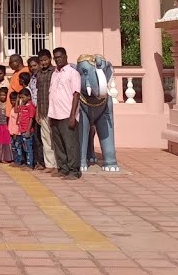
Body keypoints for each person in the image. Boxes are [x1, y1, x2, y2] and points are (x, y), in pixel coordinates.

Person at [77, 53, 120, 173]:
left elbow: (108, 131)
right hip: (83, 103)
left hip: (102, 105)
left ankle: (110, 160)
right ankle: (81, 159)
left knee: (106, 130)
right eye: (85, 72)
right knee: (83, 131)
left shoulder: (107, 100)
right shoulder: (78, 98)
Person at [47, 47, 82, 179]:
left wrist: (73, 116)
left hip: (67, 114)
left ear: (66, 56)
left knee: (70, 144)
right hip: (54, 114)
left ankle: (74, 170)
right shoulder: (54, 73)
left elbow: (76, 95)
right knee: (59, 144)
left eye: (60, 57)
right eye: (55, 58)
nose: (58, 60)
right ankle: (63, 168)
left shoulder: (73, 73)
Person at [34, 50, 56, 171]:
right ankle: (49, 164)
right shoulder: (39, 74)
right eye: (41, 60)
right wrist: (37, 111)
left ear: (50, 59)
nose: (43, 62)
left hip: (54, 110)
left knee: (56, 137)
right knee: (46, 138)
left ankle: (58, 163)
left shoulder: (55, 72)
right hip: (42, 110)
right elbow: (38, 93)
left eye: (45, 60)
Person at [13, 89, 37, 168]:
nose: (22, 99)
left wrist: (28, 130)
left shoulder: (30, 106)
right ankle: (23, 162)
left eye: (23, 97)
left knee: (28, 148)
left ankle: (30, 165)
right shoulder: (23, 105)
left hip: (27, 130)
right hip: (21, 130)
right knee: (23, 147)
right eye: (21, 97)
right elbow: (16, 110)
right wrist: (17, 101)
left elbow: (31, 118)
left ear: (29, 97)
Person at [0, 66, 13, 163]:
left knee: (6, 140)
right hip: (0, 125)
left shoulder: (8, 83)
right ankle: (0, 157)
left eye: (4, 95)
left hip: (6, 125)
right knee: (0, 140)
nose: (2, 97)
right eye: (1, 95)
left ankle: (7, 157)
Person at [1, 90, 19, 164]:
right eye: (11, 100)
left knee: (17, 147)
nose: (12, 102)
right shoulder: (12, 109)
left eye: (14, 100)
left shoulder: (17, 110)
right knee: (13, 147)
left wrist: (15, 132)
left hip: (15, 132)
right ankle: (14, 160)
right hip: (11, 132)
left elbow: (17, 123)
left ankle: (18, 161)